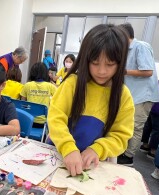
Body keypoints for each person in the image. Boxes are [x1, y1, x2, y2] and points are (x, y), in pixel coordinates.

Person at [47, 24, 134, 177]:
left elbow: (121, 136)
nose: (102, 71)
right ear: (85, 59)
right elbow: (55, 118)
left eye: (110, 64)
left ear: (120, 64)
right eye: (95, 63)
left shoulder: (123, 95)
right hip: (58, 154)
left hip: (94, 164)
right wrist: (68, 148)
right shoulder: (72, 84)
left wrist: (97, 149)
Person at [117, 23, 159, 166]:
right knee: (127, 124)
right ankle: (123, 150)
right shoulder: (126, 50)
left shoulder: (141, 46)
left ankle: (129, 156)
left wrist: (124, 71)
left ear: (124, 34)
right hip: (133, 94)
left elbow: (148, 71)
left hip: (143, 95)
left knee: (136, 126)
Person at [20, 62, 56, 127]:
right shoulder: (50, 86)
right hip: (43, 122)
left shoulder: (27, 85)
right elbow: (57, 102)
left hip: (28, 120)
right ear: (46, 73)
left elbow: (23, 104)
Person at [140, 75, 159, 159]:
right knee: (157, 130)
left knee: (148, 126)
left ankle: (145, 145)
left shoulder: (157, 83)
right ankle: (153, 151)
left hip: (151, 107)